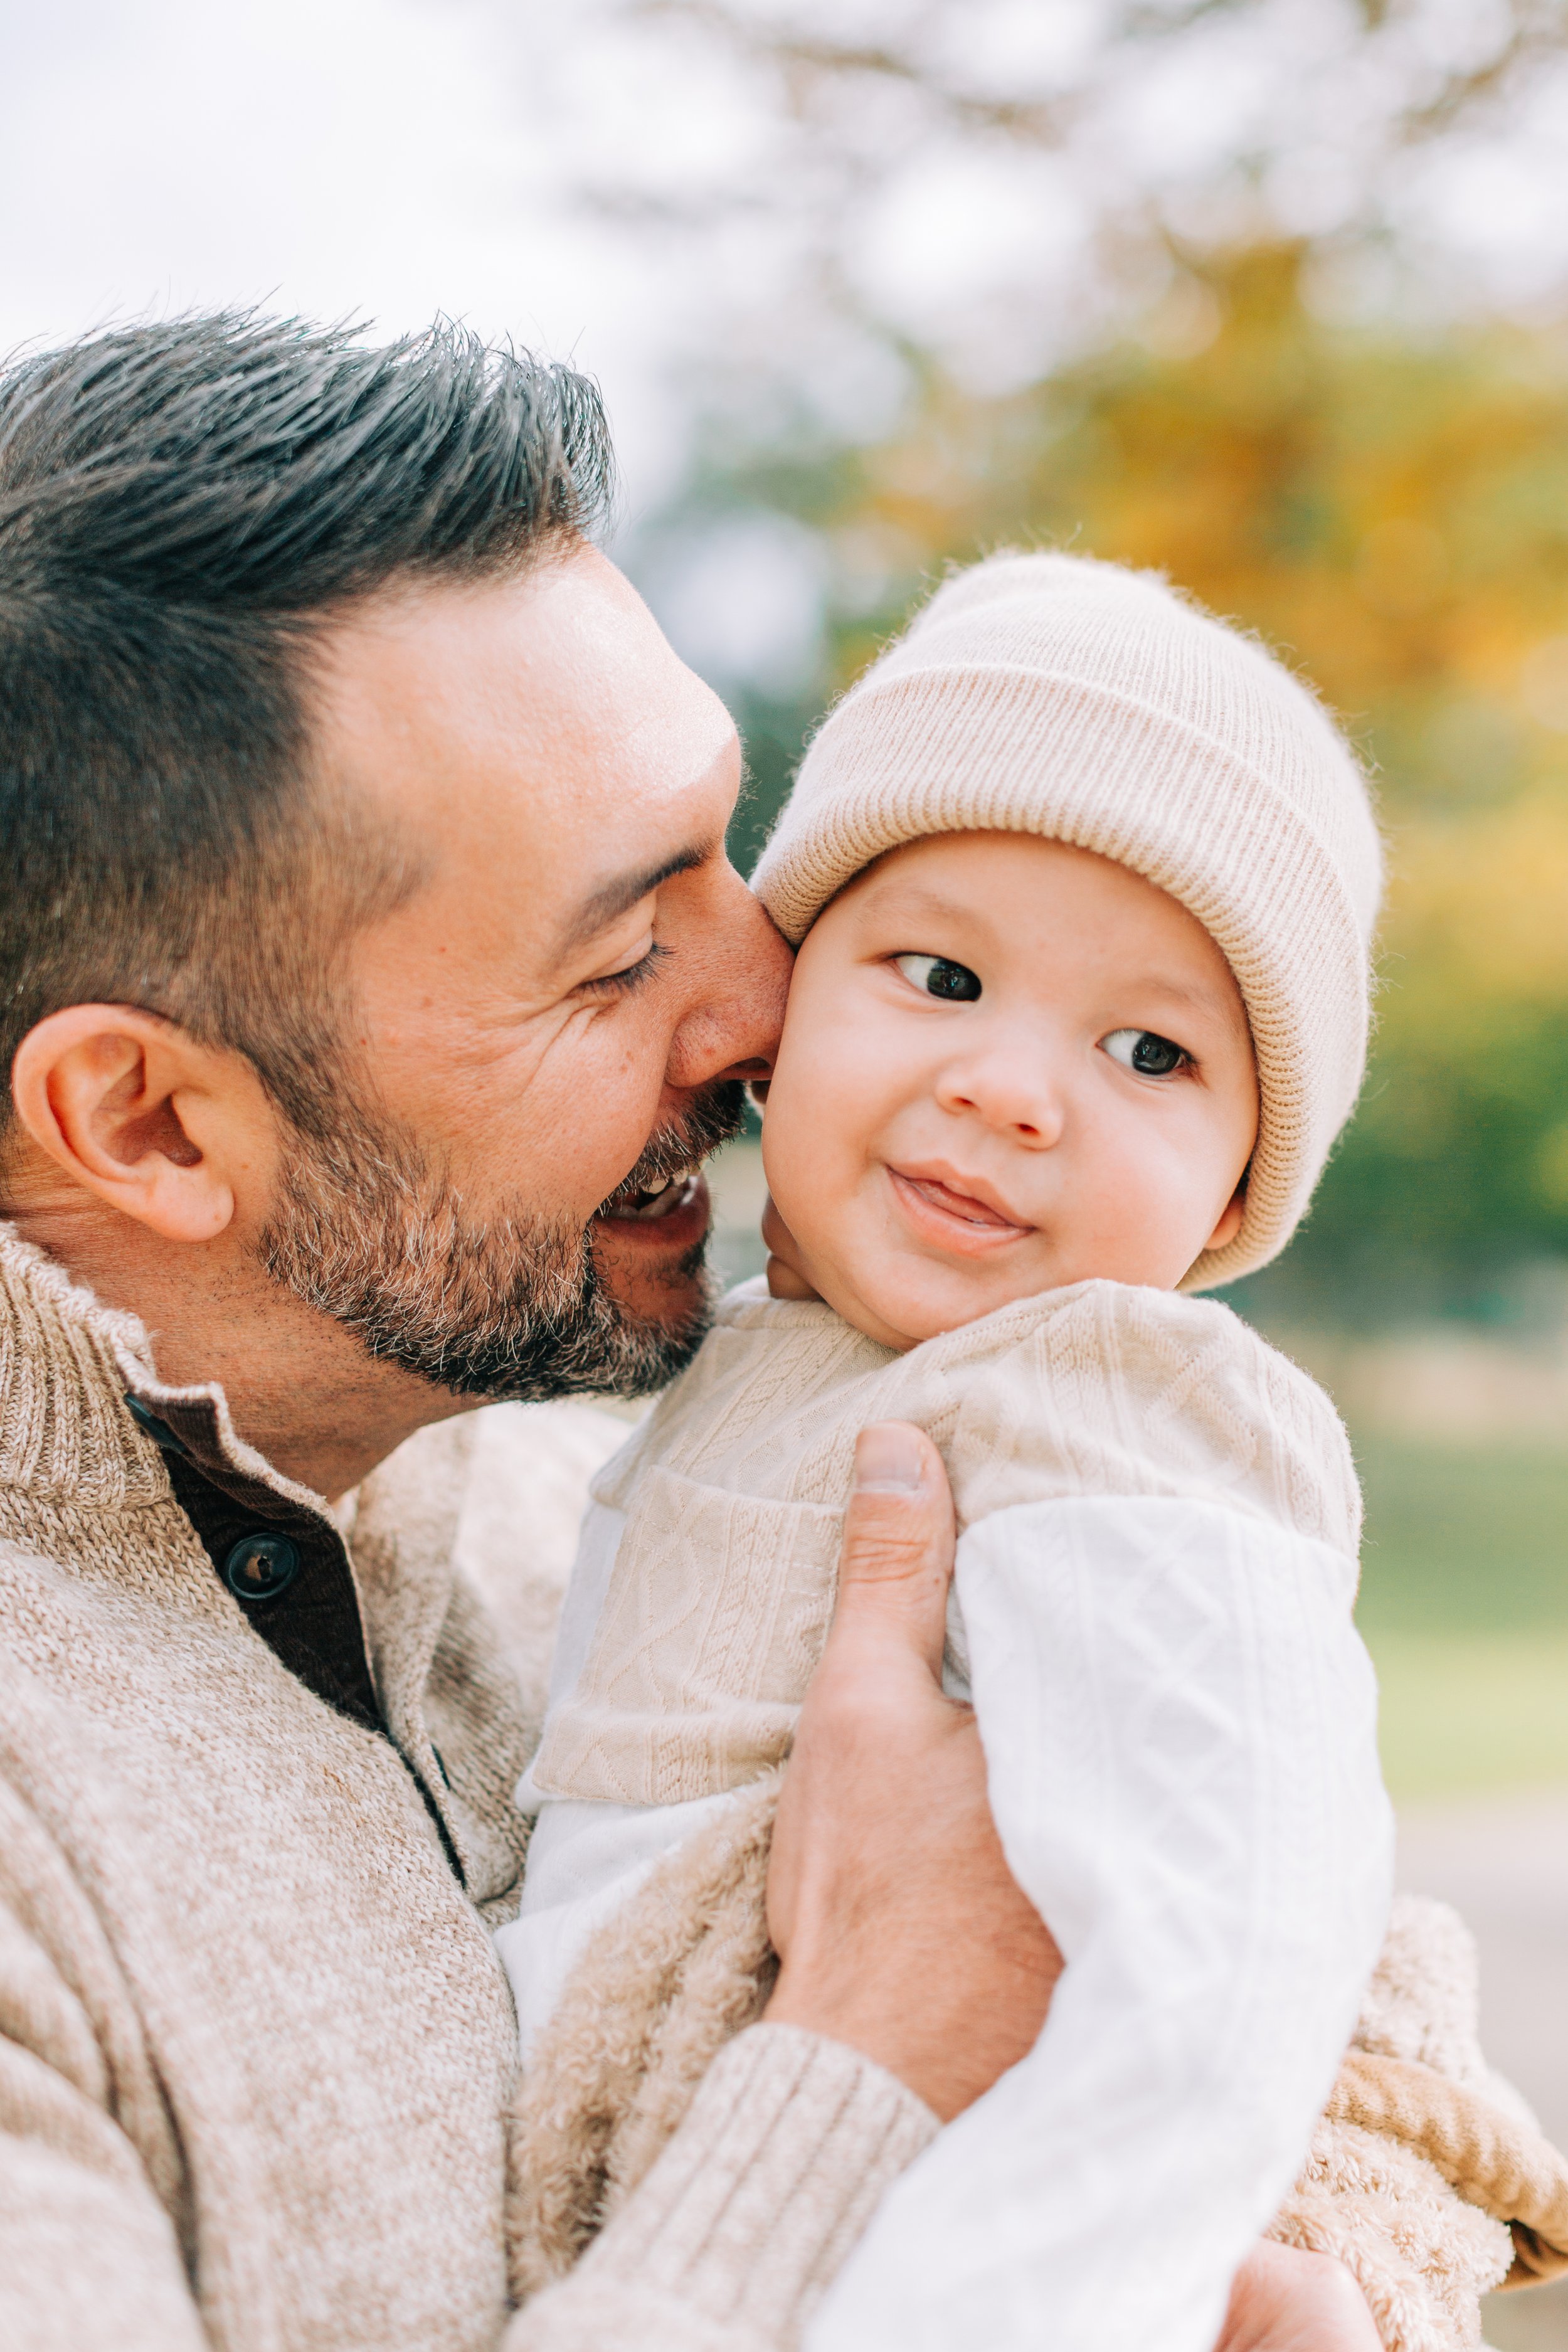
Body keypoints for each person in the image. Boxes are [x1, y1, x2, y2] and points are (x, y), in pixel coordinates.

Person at [0, 311, 1475, 2352]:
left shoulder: (562, 1468)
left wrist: (1330, 2276)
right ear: (153, 1120)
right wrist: (865, 2055)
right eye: (618, 955)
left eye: (729, 849)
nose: (773, 1000)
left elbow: (1326, 1954)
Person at [504, 557, 1568, 2351]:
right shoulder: (732, 1365)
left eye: (1149, 1048)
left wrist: (1008, 2307)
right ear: (782, 1015)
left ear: (1234, 1194)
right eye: (938, 973)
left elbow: (1212, 1959)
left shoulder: (1117, 1401)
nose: (1013, 1088)